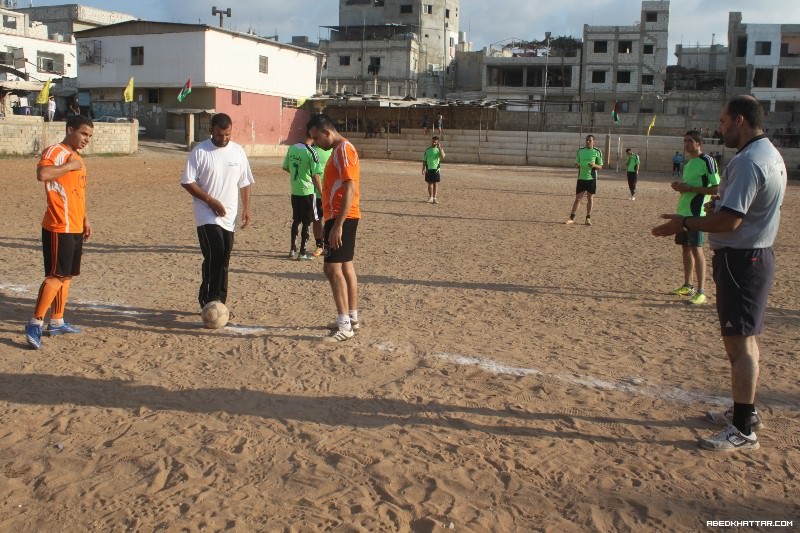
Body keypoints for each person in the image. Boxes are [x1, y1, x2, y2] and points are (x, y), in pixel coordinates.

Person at [652, 95, 787, 452]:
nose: (720, 127)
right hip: (752, 255)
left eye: (724, 121)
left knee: (740, 344)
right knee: (743, 341)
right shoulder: (768, 154)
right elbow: (737, 208)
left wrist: (686, 222)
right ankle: (744, 411)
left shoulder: (748, 162)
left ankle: (743, 429)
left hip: (741, 259)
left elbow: (731, 221)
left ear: (739, 120)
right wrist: (715, 206)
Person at [25, 115, 94, 349]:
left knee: (66, 276)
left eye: (90, 136)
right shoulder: (56, 151)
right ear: (70, 129)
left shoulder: (77, 157)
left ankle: (57, 321)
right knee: (55, 276)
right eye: (83, 134)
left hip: (74, 224)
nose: (86, 139)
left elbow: (78, 191)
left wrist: (85, 219)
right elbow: (42, 175)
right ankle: (35, 322)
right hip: (58, 224)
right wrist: (67, 166)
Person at [181, 113, 253, 311]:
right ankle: (208, 298)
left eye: (227, 134)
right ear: (211, 130)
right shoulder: (200, 151)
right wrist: (210, 201)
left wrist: (246, 208)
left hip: (229, 216)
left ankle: (219, 301)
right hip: (206, 213)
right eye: (220, 135)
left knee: (224, 258)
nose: (224, 139)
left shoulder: (238, 151)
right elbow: (187, 181)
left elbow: (245, 182)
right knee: (216, 253)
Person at [307, 114, 361, 342]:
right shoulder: (339, 151)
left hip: (342, 217)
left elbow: (350, 186)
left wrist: (337, 225)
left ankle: (344, 325)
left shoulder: (343, 150)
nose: (315, 143)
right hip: (340, 216)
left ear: (327, 132)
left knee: (331, 269)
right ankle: (352, 318)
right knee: (346, 266)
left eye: (316, 137)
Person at [668, 130, 720, 305]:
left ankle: (701, 291)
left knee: (697, 249)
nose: (686, 144)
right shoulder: (689, 163)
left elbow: (716, 188)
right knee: (685, 248)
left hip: (698, 213)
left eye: (690, 141)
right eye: (685, 141)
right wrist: (680, 187)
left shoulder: (708, 161)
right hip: (683, 212)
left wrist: (690, 189)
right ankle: (688, 285)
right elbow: (689, 186)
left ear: (699, 143)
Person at [282, 132, 319, 261]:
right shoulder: (311, 152)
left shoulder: (292, 148)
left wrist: (296, 177)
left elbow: (286, 167)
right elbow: (316, 175)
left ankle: (292, 249)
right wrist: (321, 192)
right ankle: (303, 251)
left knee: (296, 220)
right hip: (308, 191)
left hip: (295, 191)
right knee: (307, 222)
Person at [566, 134, 602, 225]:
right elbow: (576, 163)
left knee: (590, 198)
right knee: (578, 198)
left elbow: (600, 166)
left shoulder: (597, 151)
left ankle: (588, 218)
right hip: (581, 178)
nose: (588, 142)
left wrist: (594, 165)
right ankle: (572, 218)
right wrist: (577, 165)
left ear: (594, 142)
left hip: (591, 178)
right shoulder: (580, 151)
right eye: (587, 140)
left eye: (590, 140)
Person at [311, 142, 333, 257]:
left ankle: (328, 245)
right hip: (316, 194)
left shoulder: (332, 150)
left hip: (331, 193)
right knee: (317, 219)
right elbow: (314, 174)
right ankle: (319, 245)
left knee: (330, 220)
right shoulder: (311, 151)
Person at [422, 136, 446, 204]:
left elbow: (443, 156)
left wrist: (440, 148)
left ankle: (435, 198)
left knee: (435, 183)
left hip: (436, 169)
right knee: (429, 183)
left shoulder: (439, 149)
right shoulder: (427, 150)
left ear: (438, 142)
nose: (433, 143)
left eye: (435, 142)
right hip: (429, 169)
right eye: (432, 141)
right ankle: (430, 198)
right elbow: (424, 160)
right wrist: (423, 169)